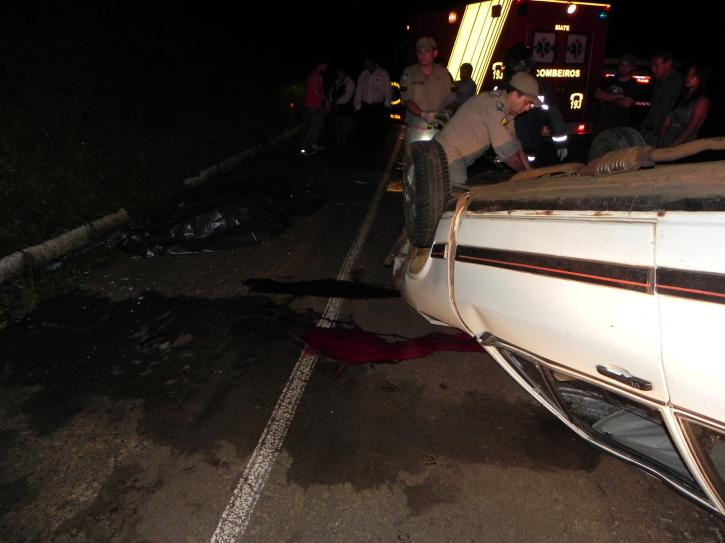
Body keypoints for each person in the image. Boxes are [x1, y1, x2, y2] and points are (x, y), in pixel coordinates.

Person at [435, 71, 539, 187]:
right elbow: (507, 153)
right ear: (515, 94)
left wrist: (531, 172)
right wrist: (526, 176)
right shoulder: (494, 106)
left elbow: (515, 146)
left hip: (455, 156)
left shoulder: (506, 115)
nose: (527, 108)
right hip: (446, 153)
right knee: (459, 194)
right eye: (526, 103)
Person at [502, 42, 568, 164]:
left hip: (522, 144)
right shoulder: (505, 86)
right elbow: (500, 116)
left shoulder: (538, 86)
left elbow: (553, 115)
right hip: (514, 143)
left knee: (524, 170)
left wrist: (561, 143)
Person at [400, 36, 456, 144]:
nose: (422, 54)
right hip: (416, 125)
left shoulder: (444, 73)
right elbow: (407, 99)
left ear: (435, 53)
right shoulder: (409, 73)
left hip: (439, 126)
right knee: (414, 154)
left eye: (427, 51)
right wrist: (423, 114)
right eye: (419, 51)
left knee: (440, 154)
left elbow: (453, 99)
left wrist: (447, 112)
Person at [658, 63, 711, 147]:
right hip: (668, 140)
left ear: (701, 78)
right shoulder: (681, 97)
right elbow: (668, 120)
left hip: (684, 145)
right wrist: (660, 140)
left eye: (693, 75)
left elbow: (691, 128)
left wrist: (673, 146)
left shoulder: (702, 100)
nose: (688, 78)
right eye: (687, 74)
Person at [640, 49, 683, 147]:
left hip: (662, 135)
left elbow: (673, 113)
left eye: (656, 66)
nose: (653, 69)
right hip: (648, 131)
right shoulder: (658, 81)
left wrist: (662, 137)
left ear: (668, 63)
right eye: (652, 66)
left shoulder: (678, 83)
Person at [594, 52, 641, 133]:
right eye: (622, 65)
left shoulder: (634, 84)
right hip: (603, 124)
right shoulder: (609, 80)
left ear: (633, 67)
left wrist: (606, 97)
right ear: (618, 65)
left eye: (628, 66)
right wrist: (618, 96)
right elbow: (597, 94)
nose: (624, 68)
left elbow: (626, 103)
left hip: (621, 127)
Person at [353, 55, 391, 148]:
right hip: (365, 106)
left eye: (368, 64)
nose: (367, 66)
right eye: (365, 64)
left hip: (377, 107)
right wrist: (357, 106)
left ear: (373, 63)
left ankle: (376, 149)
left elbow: (388, 90)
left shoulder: (383, 73)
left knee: (377, 129)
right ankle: (364, 148)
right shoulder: (363, 74)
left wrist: (387, 105)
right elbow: (359, 90)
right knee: (364, 129)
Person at [300, 57, 330, 155]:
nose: (326, 67)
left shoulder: (314, 74)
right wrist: (326, 101)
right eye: (325, 65)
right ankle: (306, 148)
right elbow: (316, 91)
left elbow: (319, 90)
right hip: (313, 106)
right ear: (321, 64)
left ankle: (313, 145)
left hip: (310, 105)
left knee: (313, 127)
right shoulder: (316, 75)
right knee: (313, 128)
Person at [328, 67, 356, 146]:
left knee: (345, 127)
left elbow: (347, 97)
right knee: (338, 126)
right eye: (338, 72)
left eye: (340, 72)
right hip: (338, 109)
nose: (338, 74)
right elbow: (331, 92)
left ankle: (344, 145)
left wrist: (335, 102)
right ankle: (338, 143)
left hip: (346, 109)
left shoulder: (350, 83)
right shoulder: (337, 82)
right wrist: (331, 100)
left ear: (344, 72)